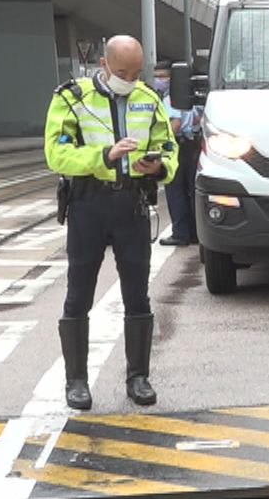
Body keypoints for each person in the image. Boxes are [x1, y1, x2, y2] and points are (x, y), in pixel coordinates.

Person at [44, 35, 179, 410]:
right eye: (122, 72)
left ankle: (138, 378)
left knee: (137, 294)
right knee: (79, 293)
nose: (129, 80)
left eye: (136, 73)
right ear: (103, 64)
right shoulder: (72, 98)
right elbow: (56, 153)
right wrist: (104, 155)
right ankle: (76, 382)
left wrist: (158, 167)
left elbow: (169, 147)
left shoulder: (148, 99)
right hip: (88, 204)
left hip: (131, 205)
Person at [151, 61, 202, 246]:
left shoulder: (171, 98)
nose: (158, 81)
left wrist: (161, 144)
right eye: (156, 77)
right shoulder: (192, 96)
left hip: (178, 146)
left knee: (175, 192)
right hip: (193, 144)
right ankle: (195, 232)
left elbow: (175, 123)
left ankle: (180, 233)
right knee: (191, 191)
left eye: (162, 77)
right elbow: (197, 118)